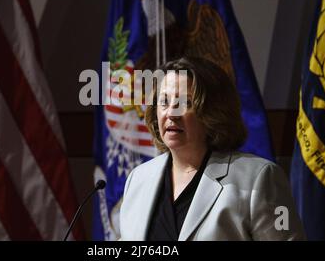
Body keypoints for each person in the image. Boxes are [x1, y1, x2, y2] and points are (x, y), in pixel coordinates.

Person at [119, 56, 305, 241]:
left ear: (213, 112)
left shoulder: (259, 178)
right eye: (164, 102)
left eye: (185, 103)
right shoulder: (138, 179)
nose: (171, 114)